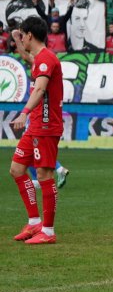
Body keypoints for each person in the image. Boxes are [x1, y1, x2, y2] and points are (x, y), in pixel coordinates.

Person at [9, 16, 63, 244]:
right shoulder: (41, 58)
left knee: (44, 175)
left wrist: (24, 112)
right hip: (36, 126)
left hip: (46, 125)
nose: (22, 38)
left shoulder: (46, 60)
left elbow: (40, 89)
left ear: (30, 34)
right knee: (17, 169)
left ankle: (48, 232)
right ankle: (34, 223)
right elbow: (27, 56)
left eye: (23, 34)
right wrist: (16, 40)